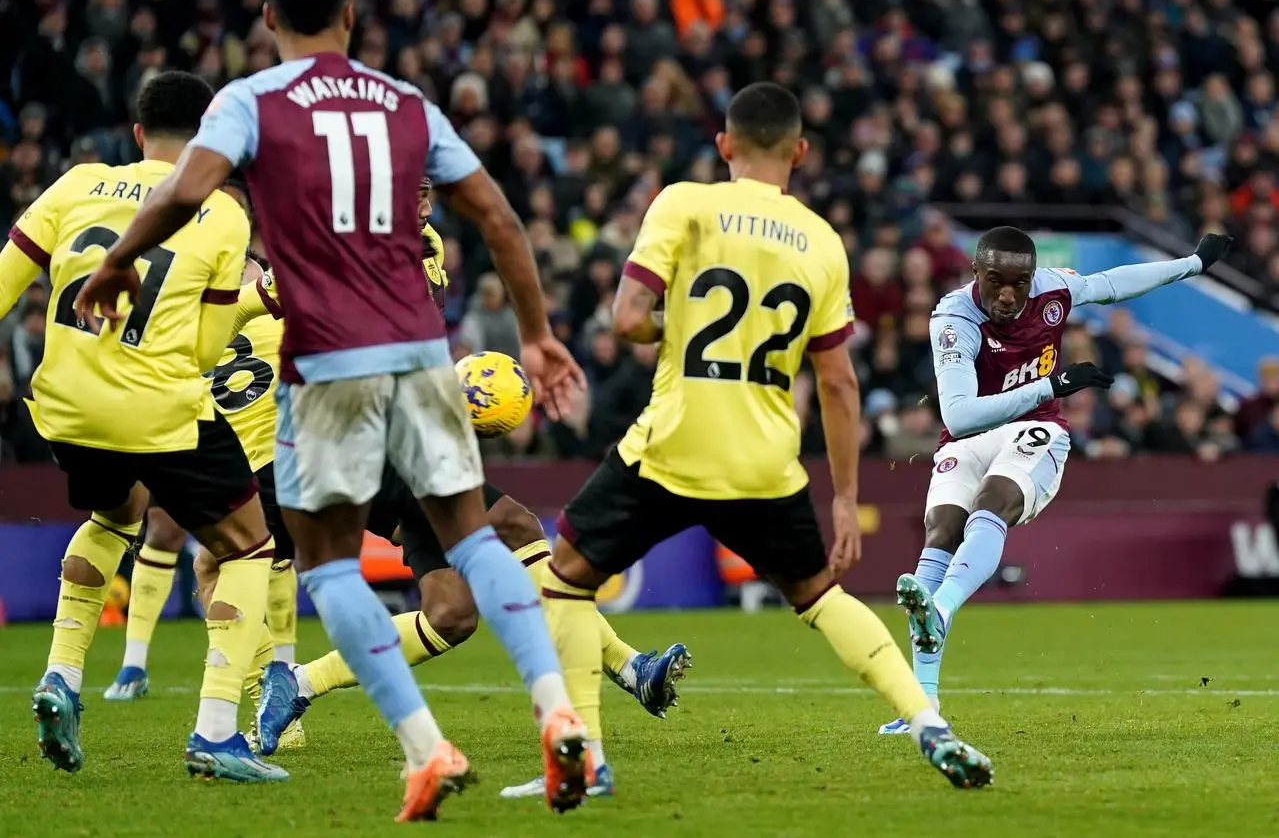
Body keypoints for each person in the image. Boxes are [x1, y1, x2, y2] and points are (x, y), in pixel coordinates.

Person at [73, 0, 590, 819]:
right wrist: (534, 334)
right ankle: (556, 708)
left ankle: (426, 747)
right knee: (478, 539)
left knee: (330, 566)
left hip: (327, 364)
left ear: (270, 18)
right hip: (423, 356)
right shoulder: (406, 103)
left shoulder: (251, 99)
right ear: (351, 15)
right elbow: (495, 214)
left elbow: (182, 191)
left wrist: (118, 260)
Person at [537, 81, 994, 790]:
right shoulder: (820, 240)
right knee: (818, 598)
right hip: (765, 464)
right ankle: (927, 722)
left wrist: (673, 327)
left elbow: (627, 319)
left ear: (723, 145)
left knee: (564, 582)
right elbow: (838, 385)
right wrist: (844, 499)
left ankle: (588, 760)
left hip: (672, 445)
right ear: (799, 152)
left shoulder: (683, 203)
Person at [253, 180, 691, 798]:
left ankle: (297, 684)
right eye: (416, 192)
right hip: (363, 434)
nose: (427, 204)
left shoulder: (428, 242)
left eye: (431, 191)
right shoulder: (354, 251)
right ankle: (627, 667)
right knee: (513, 525)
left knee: (451, 616)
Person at [0, 71, 287, 781]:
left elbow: (5, 282)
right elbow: (204, 352)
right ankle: (218, 733)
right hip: (158, 408)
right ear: (215, 137)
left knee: (118, 512)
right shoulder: (221, 214)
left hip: (65, 406)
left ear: (136, 134)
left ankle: (63, 677)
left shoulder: (74, 184)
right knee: (249, 546)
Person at [877, 227, 1234, 734]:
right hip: (969, 436)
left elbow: (1113, 283)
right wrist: (1052, 383)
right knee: (940, 532)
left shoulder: (1051, 290)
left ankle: (939, 608)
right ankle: (920, 706)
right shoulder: (954, 318)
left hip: (1036, 428)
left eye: (1018, 283)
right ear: (975, 273)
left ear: (1031, 278)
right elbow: (959, 417)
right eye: (995, 280)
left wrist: (1191, 265)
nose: (1008, 294)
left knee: (991, 503)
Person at [105, 185, 300, 719]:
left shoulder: (244, 279)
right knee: (239, 555)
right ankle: (137, 663)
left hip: (228, 446)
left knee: (227, 562)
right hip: (211, 440)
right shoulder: (223, 279)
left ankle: (275, 679)